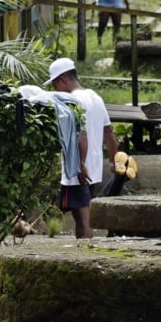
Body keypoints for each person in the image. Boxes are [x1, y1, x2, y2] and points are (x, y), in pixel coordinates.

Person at [45, 57, 119, 239]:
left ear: (62, 80)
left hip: (78, 169)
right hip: (94, 168)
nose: (55, 89)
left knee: (83, 219)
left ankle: (85, 258)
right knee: (84, 215)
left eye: (54, 84)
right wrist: (113, 160)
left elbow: (81, 135)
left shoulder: (70, 101)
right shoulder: (95, 97)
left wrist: (80, 164)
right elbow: (109, 133)